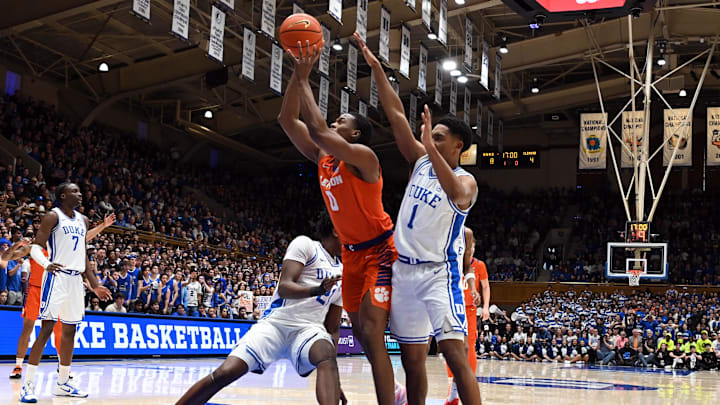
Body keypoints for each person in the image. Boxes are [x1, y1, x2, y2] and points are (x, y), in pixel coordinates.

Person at [353, 31, 479, 405]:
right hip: (403, 273)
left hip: (439, 275)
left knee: (455, 356)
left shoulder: (465, 180)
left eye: (439, 137)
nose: (431, 141)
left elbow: (457, 196)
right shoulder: (422, 160)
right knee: (412, 361)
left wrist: (427, 142)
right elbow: (394, 115)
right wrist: (377, 69)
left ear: (458, 145)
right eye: (431, 135)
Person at [279, 41, 402, 405]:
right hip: (350, 256)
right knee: (362, 337)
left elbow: (317, 128)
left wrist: (305, 79)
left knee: (371, 330)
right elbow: (287, 121)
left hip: (380, 250)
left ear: (355, 135)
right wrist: (295, 77)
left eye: (342, 122)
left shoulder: (365, 158)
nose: (335, 122)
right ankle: (394, 392)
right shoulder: (323, 156)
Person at [177, 214, 346, 404]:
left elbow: (333, 329)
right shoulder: (306, 245)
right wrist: (318, 289)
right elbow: (284, 288)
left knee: (326, 353)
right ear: (335, 230)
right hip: (275, 324)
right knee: (226, 372)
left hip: (308, 330)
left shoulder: (343, 273)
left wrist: (334, 376)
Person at [20, 183, 112, 402]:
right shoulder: (53, 216)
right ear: (63, 195)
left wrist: (95, 284)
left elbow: (83, 256)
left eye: (80, 192)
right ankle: (28, 385)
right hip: (56, 276)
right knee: (47, 329)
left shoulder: (83, 220)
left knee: (70, 331)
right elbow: (35, 246)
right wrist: (46, 263)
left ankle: (62, 383)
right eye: (75, 191)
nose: (80, 195)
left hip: (74, 280)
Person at [8, 214, 114, 379]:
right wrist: (17, 244)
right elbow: (9, 257)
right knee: (27, 328)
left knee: (60, 330)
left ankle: (62, 366)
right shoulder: (34, 247)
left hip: (55, 288)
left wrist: (103, 226)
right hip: (36, 290)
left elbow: (84, 238)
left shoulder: (61, 244)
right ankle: (18, 366)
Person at [445, 227, 490, 405]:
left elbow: (485, 286)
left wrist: (485, 307)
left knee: (469, 345)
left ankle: (468, 378)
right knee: (449, 344)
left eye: (471, 248)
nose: (469, 250)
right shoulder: (452, 260)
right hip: (449, 305)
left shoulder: (479, 265)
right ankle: (452, 381)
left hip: (469, 310)